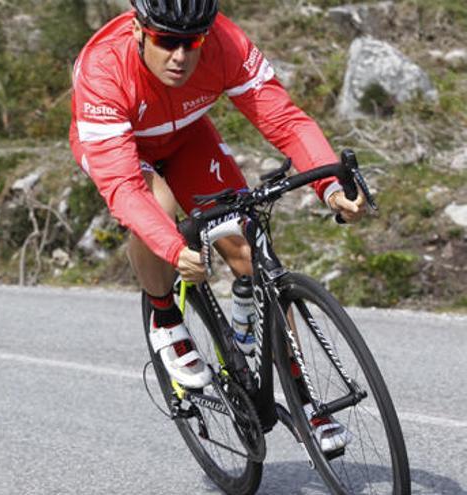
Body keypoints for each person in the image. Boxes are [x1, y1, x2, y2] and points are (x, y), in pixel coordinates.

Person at [68, 0, 365, 453]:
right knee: (158, 210)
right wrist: (172, 248)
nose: (180, 56)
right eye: (166, 41)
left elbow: (283, 119)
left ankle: (305, 400)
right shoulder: (103, 69)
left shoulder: (226, 43)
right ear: (137, 30)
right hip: (125, 151)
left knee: (249, 252)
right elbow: (126, 187)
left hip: (188, 138)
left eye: (193, 42)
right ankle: (166, 316)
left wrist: (329, 183)